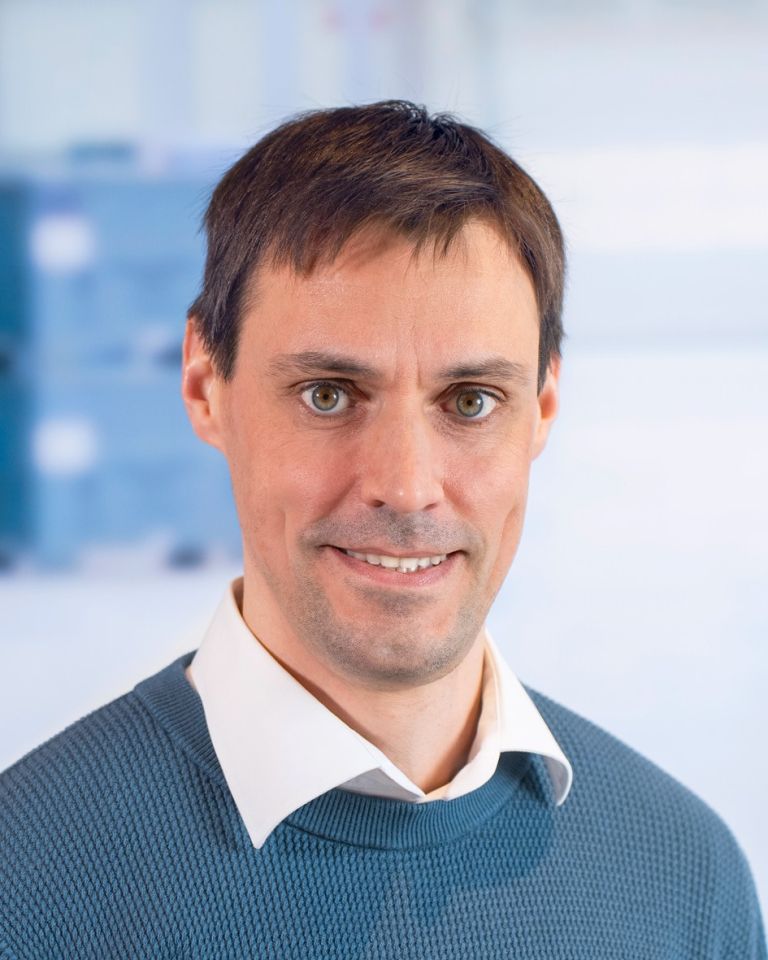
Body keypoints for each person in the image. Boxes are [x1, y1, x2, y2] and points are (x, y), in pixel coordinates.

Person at [0, 101, 764, 959]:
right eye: (328, 395)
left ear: (543, 408)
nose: (405, 487)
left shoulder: (688, 884)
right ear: (205, 383)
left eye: (470, 402)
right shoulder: (23, 885)